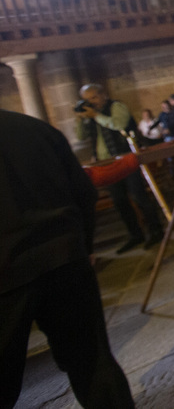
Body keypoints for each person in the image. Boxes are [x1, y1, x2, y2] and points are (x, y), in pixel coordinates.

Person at [0, 109, 135, 408]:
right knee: (92, 363)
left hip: (5, 278)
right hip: (65, 259)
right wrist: (82, 247)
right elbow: (83, 192)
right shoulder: (35, 129)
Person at [75, 84, 163, 253]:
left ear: (103, 94)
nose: (90, 102)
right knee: (119, 201)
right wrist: (80, 119)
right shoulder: (91, 115)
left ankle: (156, 230)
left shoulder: (116, 106)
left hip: (125, 158)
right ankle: (135, 235)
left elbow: (119, 124)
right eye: (87, 99)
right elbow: (81, 136)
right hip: (106, 163)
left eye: (93, 97)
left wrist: (96, 115)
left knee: (139, 196)